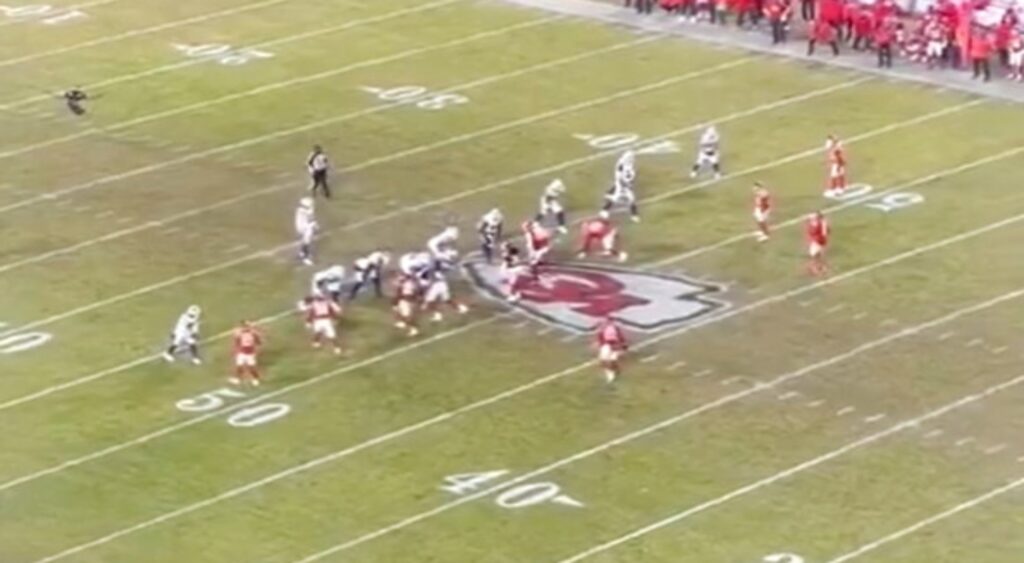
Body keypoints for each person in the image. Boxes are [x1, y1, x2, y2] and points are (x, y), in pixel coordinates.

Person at [595, 317, 628, 383]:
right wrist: (599, 344)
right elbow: (600, 338)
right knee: (603, 360)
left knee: (612, 360)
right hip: (606, 345)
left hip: (615, 345)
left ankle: (614, 372)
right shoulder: (603, 329)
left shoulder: (615, 329)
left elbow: (621, 338)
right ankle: (611, 373)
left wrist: (623, 347)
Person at [231, 321, 263, 386]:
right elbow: (237, 341)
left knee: (251, 367)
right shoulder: (241, 333)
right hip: (242, 352)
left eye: (245, 327)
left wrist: (256, 342)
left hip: (250, 353)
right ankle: (237, 379)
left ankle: (255, 379)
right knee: (239, 366)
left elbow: (258, 341)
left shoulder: (252, 333)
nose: (244, 328)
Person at [805, 211, 830, 276]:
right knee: (817, 255)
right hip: (819, 240)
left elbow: (826, 231)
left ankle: (817, 267)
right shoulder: (820, 223)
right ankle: (816, 267)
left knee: (817, 255)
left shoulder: (821, 223)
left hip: (819, 240)